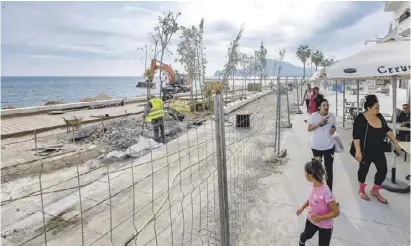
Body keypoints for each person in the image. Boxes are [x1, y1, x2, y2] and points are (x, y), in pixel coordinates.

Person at [352, 95, 402, 204]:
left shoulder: (380, 117)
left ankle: (375, 190)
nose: (379, 110)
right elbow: (356, 136)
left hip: (378, 150)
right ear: (369, 108)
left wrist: (396, 142)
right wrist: (358, 151)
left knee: (383, 170)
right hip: (365, 151)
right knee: (363, 170)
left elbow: (387, 130)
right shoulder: (361, 118)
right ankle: (361, 189)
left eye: (379, 107)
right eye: (376, 108)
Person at [297, 158, 340, 246]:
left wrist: (319, 218)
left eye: (305, 172)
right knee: (306, 235)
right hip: (312, 219)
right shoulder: (311, 184)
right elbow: (311, 199)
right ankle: (302, 239)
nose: (304, 174)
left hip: (325, 225)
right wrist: (303, 207)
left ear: (311, 176)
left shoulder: (326, 191)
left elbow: (336, 212)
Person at [307, 98, 336, 193]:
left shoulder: (332, 116)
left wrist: (333, 130)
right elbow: (309, 129)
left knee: (329, 171)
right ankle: (317, 191)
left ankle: (329, 193)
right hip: (316, 147)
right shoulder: (314, 116)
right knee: (316, 170)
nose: (326, 107)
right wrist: (318, 124)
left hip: (329, 147)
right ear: (319, 107)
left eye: (327, 105)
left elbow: (333, 127)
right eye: (324, 105)